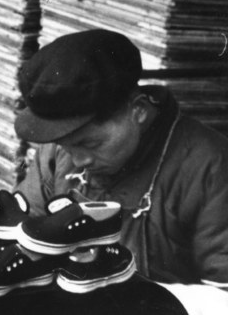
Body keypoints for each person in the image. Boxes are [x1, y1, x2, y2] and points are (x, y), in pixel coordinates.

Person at [15, 30, 228, 313]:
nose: (77, 160)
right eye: (63, 145)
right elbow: (24, 232)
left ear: (137, 111)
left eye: (90, 143)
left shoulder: (211, 166)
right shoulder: (60, 153)